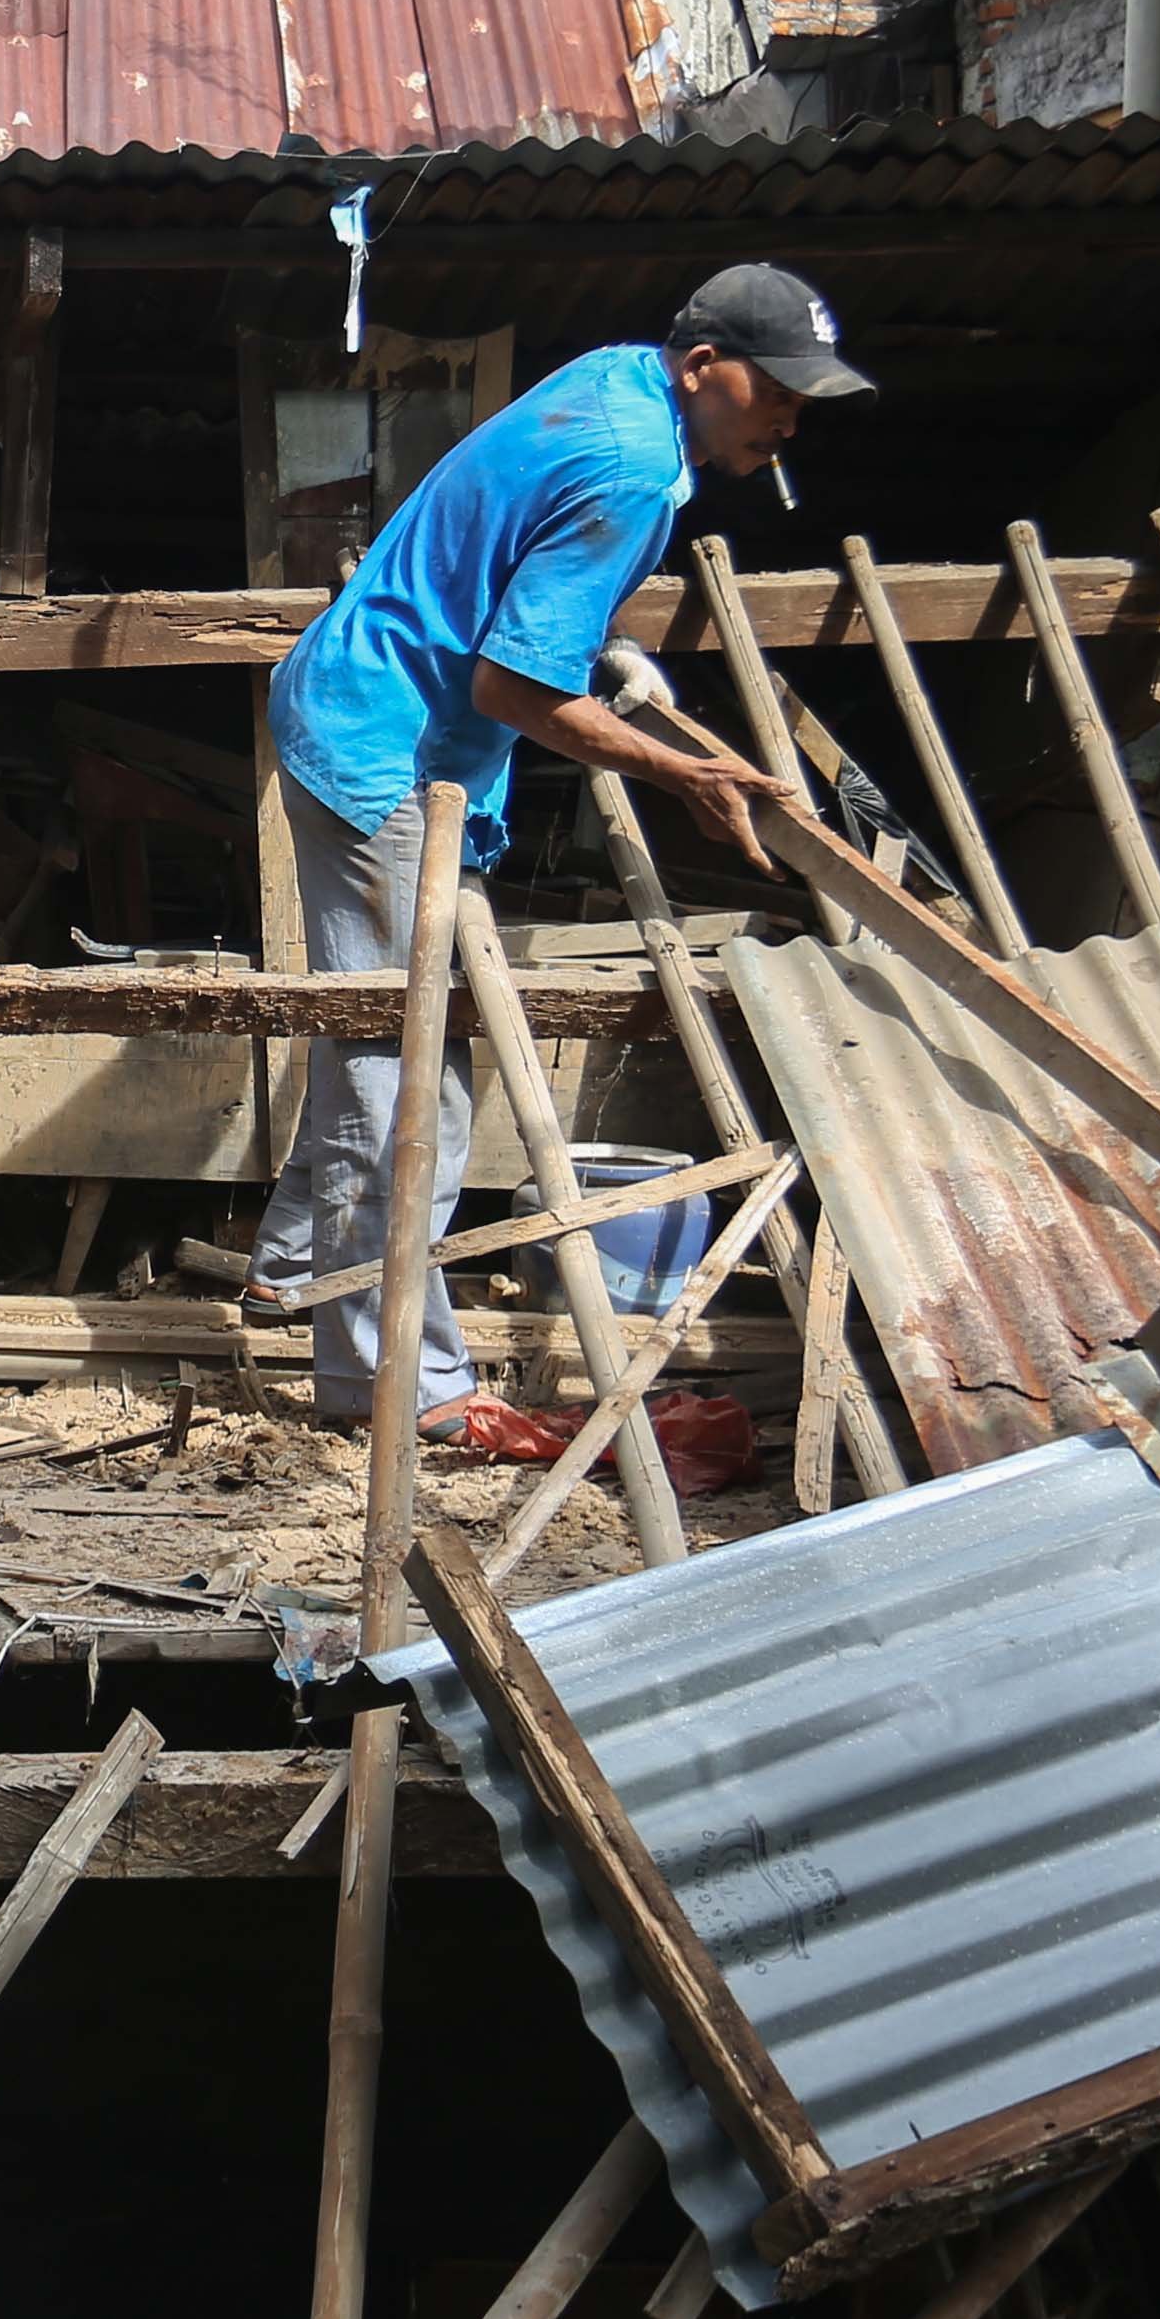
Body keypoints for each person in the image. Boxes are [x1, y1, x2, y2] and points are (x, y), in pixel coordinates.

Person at [248, 266, 864, 1449]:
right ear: (701, 367)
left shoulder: (616, 381)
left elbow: (517, 550)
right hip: (383, 751)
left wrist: (603, 646)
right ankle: (399, 1388)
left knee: (373, 1033)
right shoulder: (635, 470)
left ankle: (290, 1270)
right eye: (774, 387)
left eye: (804, 394)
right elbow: (512, 685)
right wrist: (685, 772)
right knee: (408, 1074)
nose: (788, 414)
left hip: (356, 701)